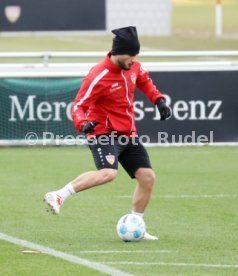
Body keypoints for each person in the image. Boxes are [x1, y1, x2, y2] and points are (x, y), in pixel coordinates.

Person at [44, 26, 171, 240]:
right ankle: (58, 195)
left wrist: (158, 100)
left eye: (136, 55)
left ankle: (136, 223)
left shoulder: (133, 67)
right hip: (103, 132)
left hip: (127, 133)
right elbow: (78, 105)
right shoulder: (98, 75)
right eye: (131, 55)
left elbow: (144, 81)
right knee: (108, 173)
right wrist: (82, 123)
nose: (134, 60)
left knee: (147, 177)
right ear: (118, 53)